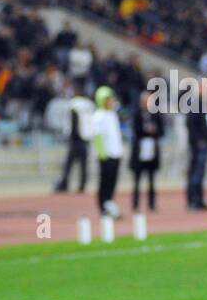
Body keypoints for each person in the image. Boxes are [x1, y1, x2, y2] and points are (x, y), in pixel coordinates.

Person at [91, 87, 124, 218]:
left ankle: (110, 204)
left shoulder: (112, 114)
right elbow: (97, 136)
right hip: (106, 155)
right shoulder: (99, 116)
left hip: (115, 154)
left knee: (112, 182)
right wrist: (102, 154)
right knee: (105, 182)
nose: (111, 101)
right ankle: (103, 206)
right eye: (108, 99)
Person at [54, 88, 94, 193]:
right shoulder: (88, 104)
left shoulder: (73, 104)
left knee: (68, 164)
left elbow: (72, 124)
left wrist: (71, 136)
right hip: (86, 138)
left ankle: (64, 184)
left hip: (76, 139)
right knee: (83, 164)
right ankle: (82, 185)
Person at [129, 106, 163, 212]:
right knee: (137, 181)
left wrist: (154, 131)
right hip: (140, 152)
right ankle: (135, 204)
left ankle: (152, 204)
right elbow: (136, 130)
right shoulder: (137, 115)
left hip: (152, 151)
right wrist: (146, 130)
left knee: (152, 180)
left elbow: (161, 131)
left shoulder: (155, 115)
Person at [185, 104, 207, 211]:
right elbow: (190, 124)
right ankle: (193, 200)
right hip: (198, 145)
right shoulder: (195, 107)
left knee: (200, 173)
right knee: (195, 173)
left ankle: (199, 199)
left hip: (205, 143)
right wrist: (198, 140)